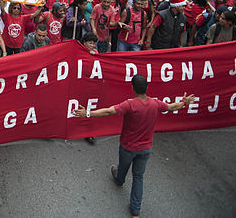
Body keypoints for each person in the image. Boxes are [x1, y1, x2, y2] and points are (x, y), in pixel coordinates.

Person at [73, 75, 194, 217]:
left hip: (128, 148)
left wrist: (86, 113)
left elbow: (108, 111)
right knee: (138, 177)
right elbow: (173, 107)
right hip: (145, 149)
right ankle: (135, 211)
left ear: (132, 88)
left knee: (122, 169)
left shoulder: (130, 105)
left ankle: (119, 179)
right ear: (147, 88)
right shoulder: (155, 103)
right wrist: (184, 102)